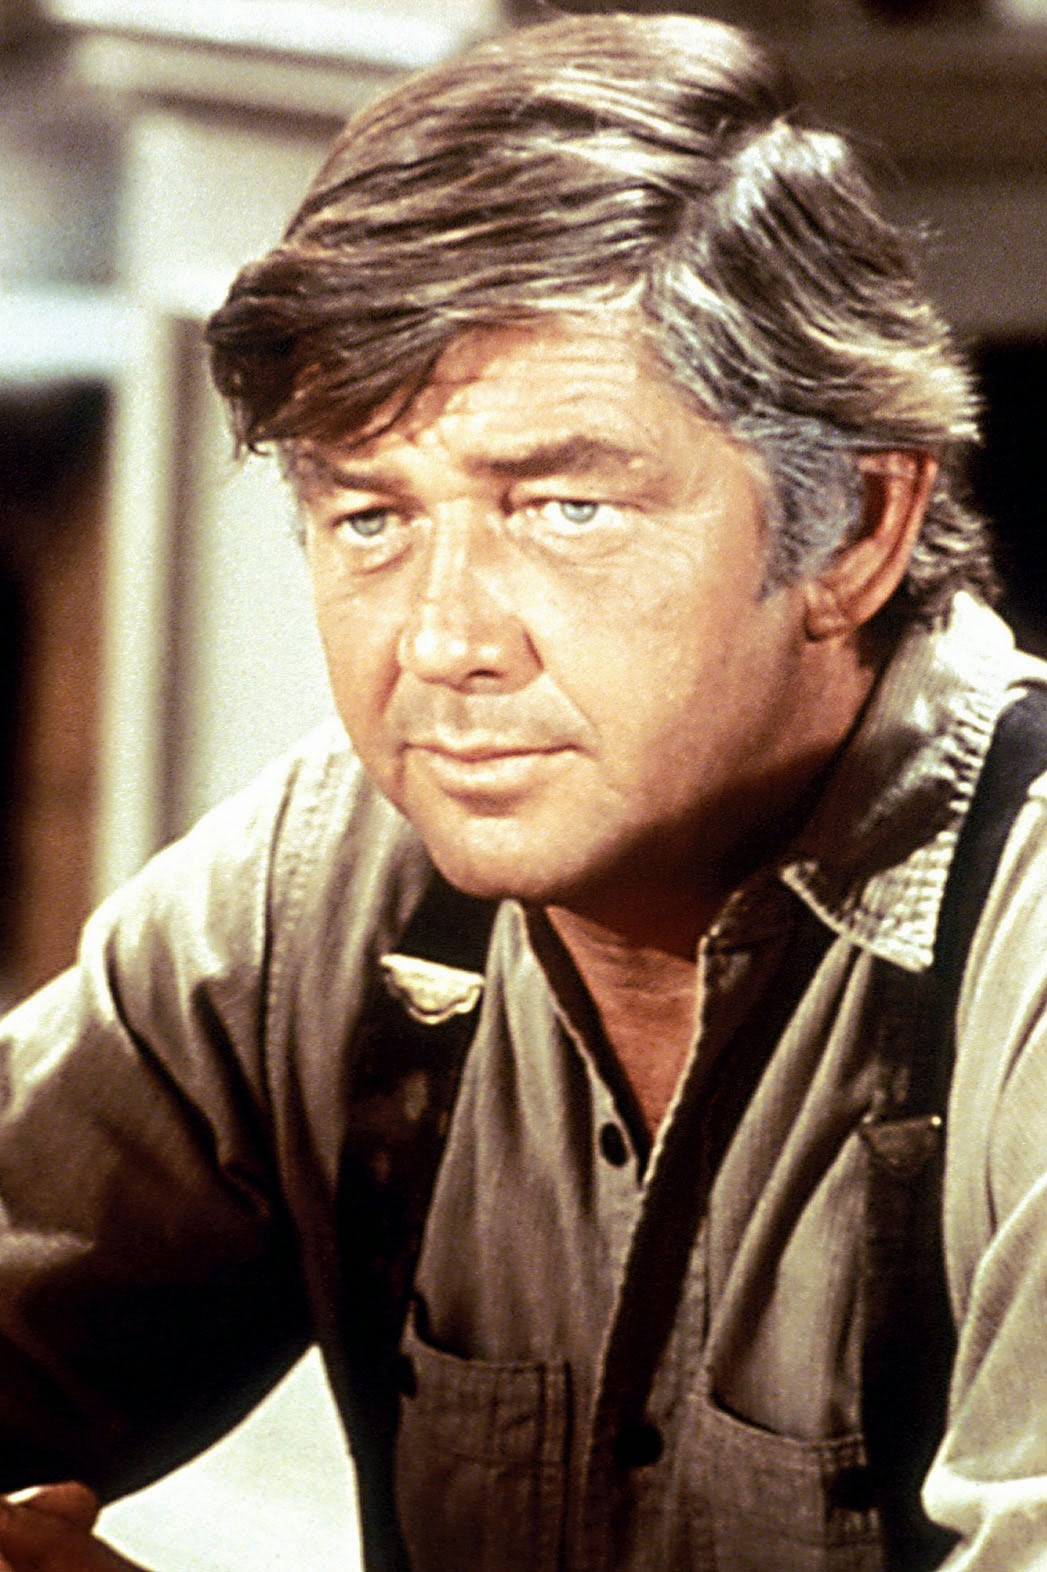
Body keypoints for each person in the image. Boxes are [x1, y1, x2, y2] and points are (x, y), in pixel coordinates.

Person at [0, 11, 1044, 1570]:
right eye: (371, 518)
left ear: (855, 529)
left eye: (563, 509)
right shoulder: (332, 881)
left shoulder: (1026, 952)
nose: (442, 642)